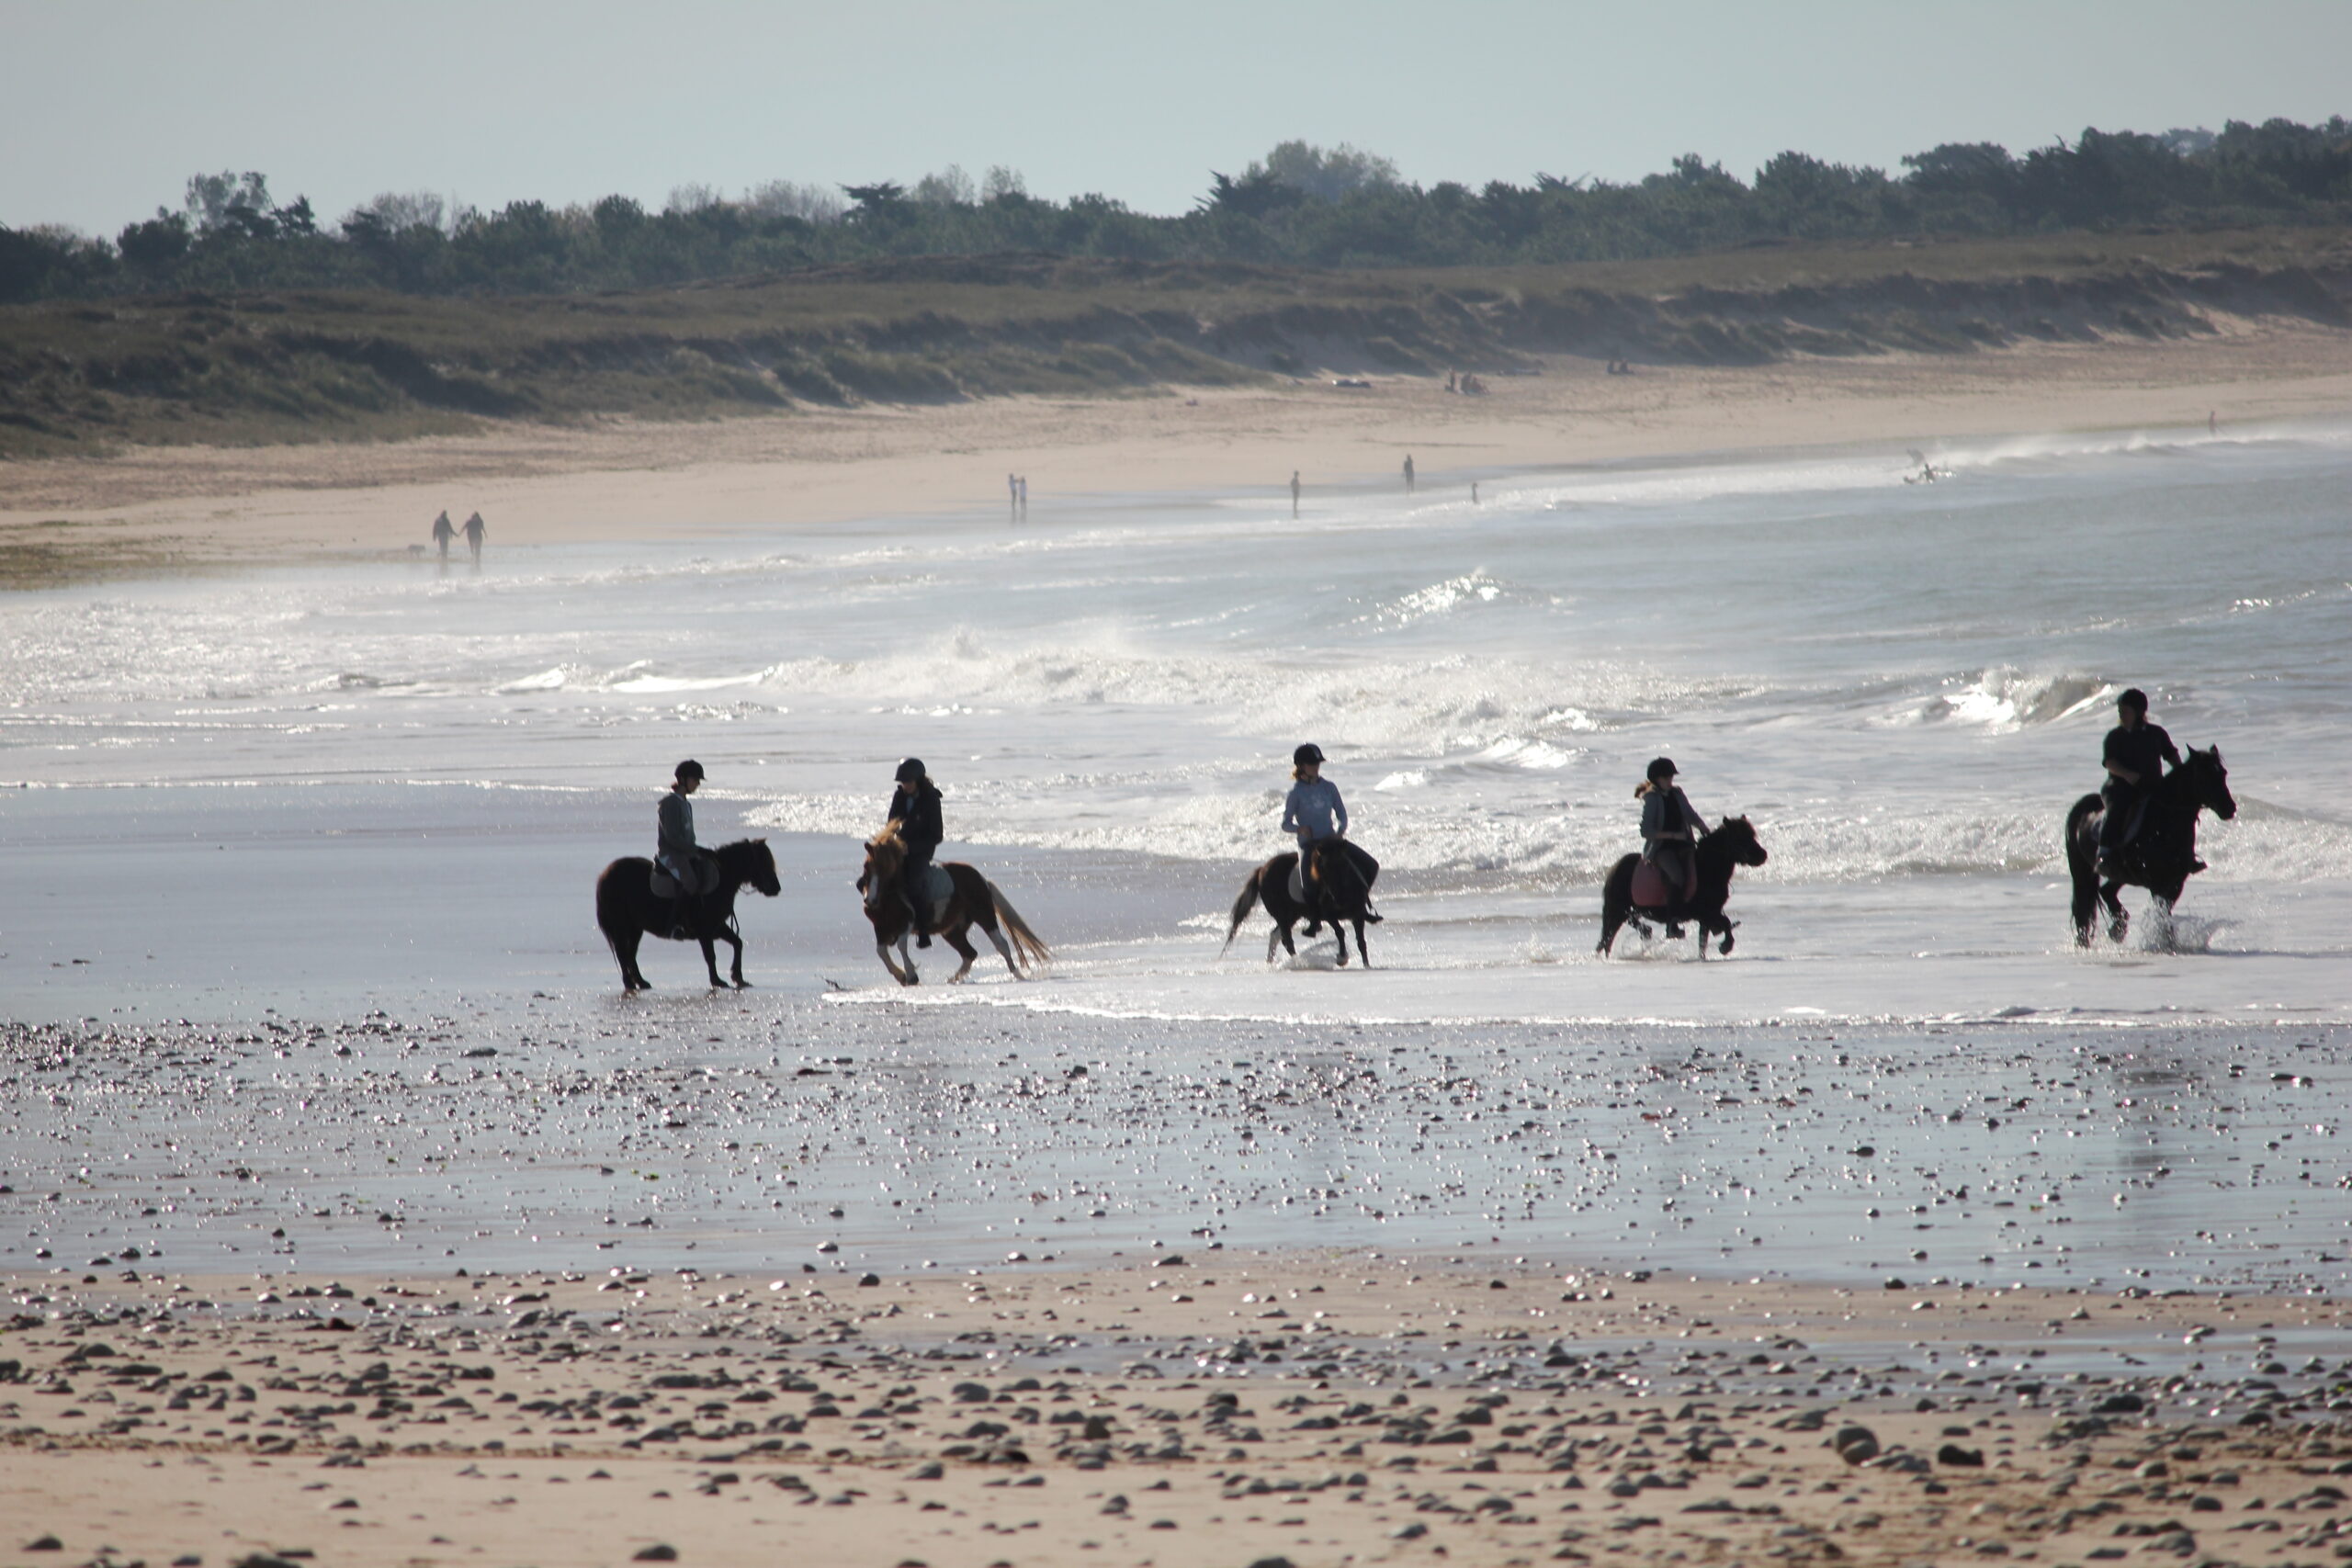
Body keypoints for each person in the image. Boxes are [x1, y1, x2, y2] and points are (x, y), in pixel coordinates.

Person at [1282, 744, 1381, 920]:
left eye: (1317, 763)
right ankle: (1314, 920)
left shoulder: (1329, 787)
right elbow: (1285, 824)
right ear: (1301, 766)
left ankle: (1362, 906)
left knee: (1371, 865)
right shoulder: (1295, 793)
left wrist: (1340, 830)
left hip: (1331, 841)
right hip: (1310, 845)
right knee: (1307, 884)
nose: (1316, 766)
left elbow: (1341, 813)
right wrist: (1299, 829)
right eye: (1312, 763)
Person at [2098, 688, 2182, 874]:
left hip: (2152, 785)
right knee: (2117, 809)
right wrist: (2127, 774)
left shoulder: (2156, 733)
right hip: (2120, 786)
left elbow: (2172, 756)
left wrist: (2181, 774)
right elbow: (2110, 763)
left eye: (2125, 711)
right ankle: (2104, 854)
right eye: (2120, 711)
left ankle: (2184, 855)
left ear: (2139, 712)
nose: (2121, 714)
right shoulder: (2115, 736)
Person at [1636, 757, 1707, 936]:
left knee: (1704, 872)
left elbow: (1691, 815)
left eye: (1671, 777)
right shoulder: (1651, 798)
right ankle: (1672, 924)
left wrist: (1704, 828)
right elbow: (1646, 831)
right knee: (1677, 876)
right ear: (1656, 779)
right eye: (1666, 778)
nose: (1670, 780)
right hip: (1662, 848)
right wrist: (1673, 835)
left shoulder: (1677, 794)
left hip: (1685, 844)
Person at [885, 757, 944, 947]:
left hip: (922, 851)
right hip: (899, 849)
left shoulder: (931, 798)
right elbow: (891, 824)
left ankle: (924, 931)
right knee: (873, 879)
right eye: (902, 782)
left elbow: (937, 835)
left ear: (918, 780)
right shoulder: (899, 796)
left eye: (908, 782)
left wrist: (912, 848)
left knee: (913, 884)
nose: (905, 785)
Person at [658, 760, 712, 935]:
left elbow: (688, 836)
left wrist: (699, 851)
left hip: (685, 853)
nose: (697, 784)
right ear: (682, 779)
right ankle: (673, 925)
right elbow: (672, 837)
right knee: (690, 881)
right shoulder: (670, 803)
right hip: (671, 854)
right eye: (695, 780)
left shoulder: (686, 804)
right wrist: (696, 850)